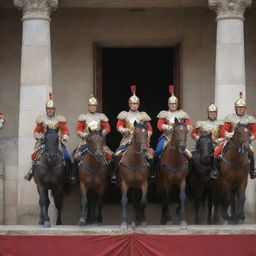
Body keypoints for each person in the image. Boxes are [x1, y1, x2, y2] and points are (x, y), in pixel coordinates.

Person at [24, 93, 75, 182]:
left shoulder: (60, 119)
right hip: (44, 142)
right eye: (48, 109)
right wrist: (37, 135)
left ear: (54, 109)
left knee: (67, 156)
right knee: (35, 156)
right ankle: (31, 172)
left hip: (57, 142)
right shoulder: (41, 119)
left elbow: (65, 130)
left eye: (51, 109)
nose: (50, 110)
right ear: (46, 109)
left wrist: (66, 135)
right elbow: (36, 130)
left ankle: (70, 175)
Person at [111, 85, 154, 183]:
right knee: (116, 155)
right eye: (132, 103)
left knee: (150, 157)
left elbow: (149, 128)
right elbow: (118, 126)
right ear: (129, 104)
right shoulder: (125, 115)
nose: (134, 105)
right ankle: (115, 174)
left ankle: (151, 174)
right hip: (127, 140)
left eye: (136, 103)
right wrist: (123, 129)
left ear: (138, 104)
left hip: (141, 141)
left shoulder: (143, 116)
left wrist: (148, 134)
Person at [210, 92, 256, 179]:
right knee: (217, 151)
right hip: (231, 140)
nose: (240, 109)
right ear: (236, 108)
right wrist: (228, 134)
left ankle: (253, 170)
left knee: (251, 151)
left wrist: (251, 138)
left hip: (245, 141)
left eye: (242, 108)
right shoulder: (230, 117)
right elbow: (224, 130)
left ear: (245, 108)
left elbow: (254, 131)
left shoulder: (249, 119)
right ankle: (215, 170)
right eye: (239, 108)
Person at [155, 85, 192, 159]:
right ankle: (154, 169)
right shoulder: (165, 113)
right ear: (168, 105)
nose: (173, 106)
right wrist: (167, 127)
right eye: (171, 104)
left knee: (190, 156)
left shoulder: (182, 114)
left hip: (179, 138)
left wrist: (185, 128)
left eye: (174, 104)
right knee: (158, 151)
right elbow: (159, 125)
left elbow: (189, 124)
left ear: (177, 104)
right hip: (167, 137)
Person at [74, 94, 113, 163]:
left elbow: (107, 127)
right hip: (86, 142)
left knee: (111, 156)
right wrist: (83, 134)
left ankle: (111, 173)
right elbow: (78, 129)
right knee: (76, 157)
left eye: (94, 106)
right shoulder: (84, 117)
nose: (92, 107)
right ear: (88, 106)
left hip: (99, 143)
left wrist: (104, 131)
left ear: (96, 107)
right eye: (90, 105)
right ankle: (74, 173)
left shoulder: (101, 116)